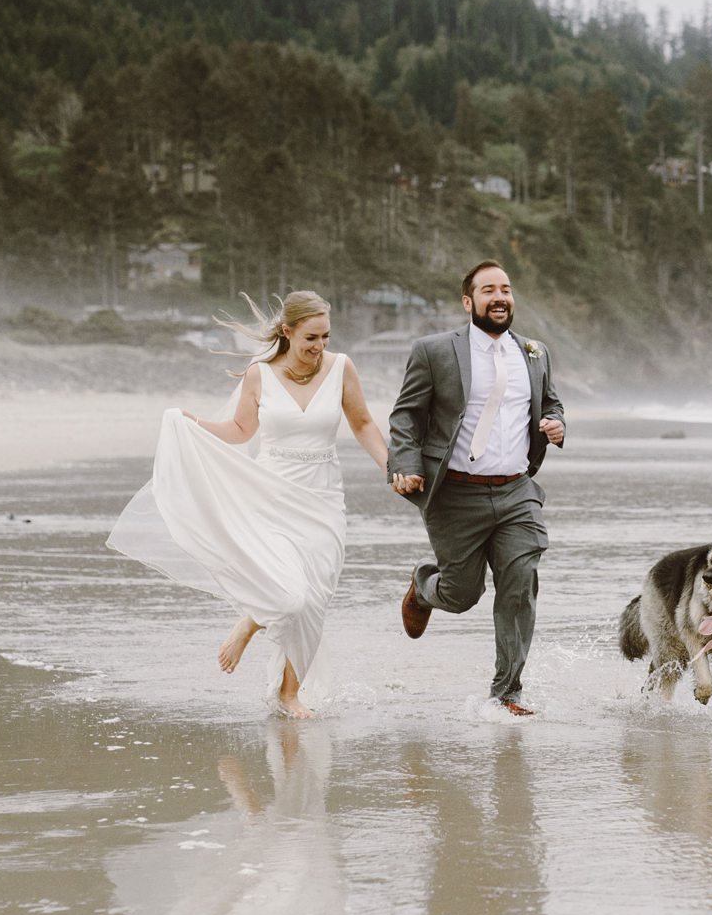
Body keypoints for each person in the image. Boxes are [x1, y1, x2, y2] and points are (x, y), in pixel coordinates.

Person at [108, 290, 390, 718]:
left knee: (313, 598)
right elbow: (241, 430)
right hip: (271, 495)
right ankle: (250, 623)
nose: (319, 347)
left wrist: (391, 467)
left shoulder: (342, 368)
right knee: (289, 595)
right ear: (288, 331)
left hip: (324, 500)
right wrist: (192, 423)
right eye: (310, 337)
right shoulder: (259, 375)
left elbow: (363, 422)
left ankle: (287, 693)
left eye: (326, 336)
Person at [388, 260, 565, 716]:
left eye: (506, 288)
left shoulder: (534, 352)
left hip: (516, 492)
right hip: (455, 495)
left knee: (519, 585)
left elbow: (550, 402)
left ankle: (507, 693)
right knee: (462, 595)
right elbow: (406, 415)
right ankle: (424, 586)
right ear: (469, 302)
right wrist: (404, 465)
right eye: (488, 290)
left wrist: (556, 423)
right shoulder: (435, 351)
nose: (500, 297)